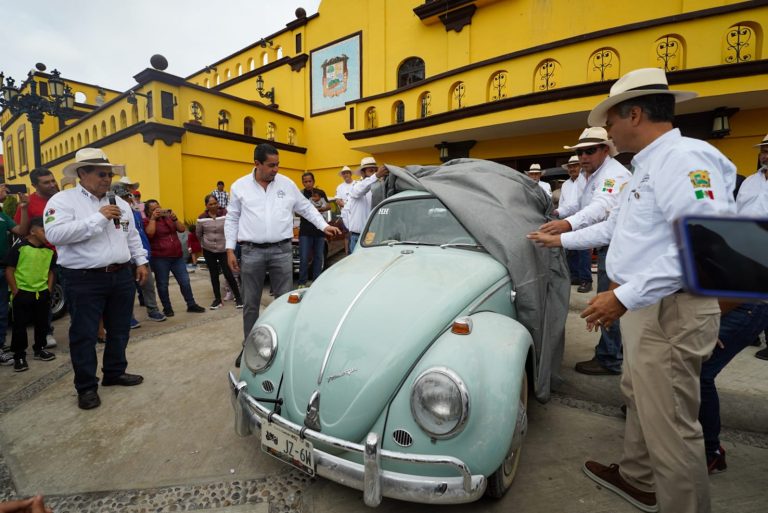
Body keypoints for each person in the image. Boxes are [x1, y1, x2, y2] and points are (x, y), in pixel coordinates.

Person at [529, 68, 736, 513]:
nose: (610, 132)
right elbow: (615, 225)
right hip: (648, 304)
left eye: (611, 123)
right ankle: (639, 478)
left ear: (635, 114)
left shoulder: (685, 160)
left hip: (669, 308)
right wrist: (561, 238)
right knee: (641, 398)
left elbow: (703, 246)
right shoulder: (646, 166)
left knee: (672, 428)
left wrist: (621, 296)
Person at [45, 148, 150, 410]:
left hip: (121, 275)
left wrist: (141, 260)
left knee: (119, 329)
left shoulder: (121, 202)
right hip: (83, 278)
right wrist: (98, 218)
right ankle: (86, 387)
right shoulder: (63, 201)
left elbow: (131, 234)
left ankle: (114, 372)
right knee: (84, 334)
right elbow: (55, 235)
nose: (107, 178)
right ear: (83, 173)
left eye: (110, 174)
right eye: (102, 174)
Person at [225, 143, 341, 366]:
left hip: (282, 250)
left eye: (278, 164)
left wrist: (322, 226)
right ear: (257, 164)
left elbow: (306, 208)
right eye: (271, 165)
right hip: (251, 251)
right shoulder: (239, 186)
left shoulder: (286, 184)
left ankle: (283, 346)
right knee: (250, 303)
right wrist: (230, 248)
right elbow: (232, 218)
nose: (276, 169)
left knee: (285, 301)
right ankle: (250, 346)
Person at [539, 127, 631, 375]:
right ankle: (612, 353)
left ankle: (610, 358)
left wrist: (566, 226)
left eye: (589, 151)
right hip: (603, 241)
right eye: (580, 152)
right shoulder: (586, 176)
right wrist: (558, 216)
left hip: (615, 246)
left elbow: (601, 208)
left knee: (609, 302)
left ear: (605, 150)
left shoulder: (613, 175)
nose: (583, 157)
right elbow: (577, 206)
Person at [14, 167, 59, 349]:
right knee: (45, 296)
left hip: (67, 253)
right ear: (34, 185)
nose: (52, 184)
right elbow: (22, 231)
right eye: (46, 182)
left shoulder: (61, 198)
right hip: (42, 258)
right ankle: (46, 332)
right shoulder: (28, 202)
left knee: (72, 294)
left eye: (52, 180)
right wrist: (24, 209)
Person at [7, 217, 57, 372]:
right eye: (43, 230)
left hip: (41, 293)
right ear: (32, 231)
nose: (47, 234)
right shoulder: (20, 248)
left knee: (42, 323)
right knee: (20, 326)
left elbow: (51, 272)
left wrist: (48, 289)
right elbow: (10, 270)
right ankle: (19, 355)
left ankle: (39, 348)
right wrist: (15, 291)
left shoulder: (49, 251)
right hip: (22, 293)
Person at [111, 184, 166, 322]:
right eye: (123, 197)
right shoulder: (114, 215)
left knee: (148, 284)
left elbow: (139, 234)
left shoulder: (135, 212)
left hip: (141, 254)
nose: (127, 200)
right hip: (125, 257)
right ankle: (129, 317)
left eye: (128, 197)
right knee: (128, 289)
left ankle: (153, 310)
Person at [143, 200, 205, 316]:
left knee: (185, 281)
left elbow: (182, 229)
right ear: (148, 211)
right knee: (162, 284)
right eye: (153, 209)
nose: (157, 210)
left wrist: (175, 219)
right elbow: (150, 234)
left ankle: (191, 304)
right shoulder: (146, 221)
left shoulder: (168, 218)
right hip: (160, 257)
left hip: (177, 256)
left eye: (158, 207)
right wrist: (153, 219)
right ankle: (167, 308)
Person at [0, 185, 30, 367]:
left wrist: (24, 208)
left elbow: (22, 230)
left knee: (2, 312)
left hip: (3, 268)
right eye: (1, 186)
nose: (5, 188)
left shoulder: (2, 215)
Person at [197, 194, 243, 309]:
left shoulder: (225, 214)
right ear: (206, 205)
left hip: (224, 249)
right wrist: (205, 243)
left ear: (218, 203)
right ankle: (217, 300)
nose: (213, 206)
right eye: (210, 204)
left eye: (215, 203)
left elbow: (232, 227)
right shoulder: (202, 217)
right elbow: (199, 234)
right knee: (213, 275)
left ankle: (238, 298)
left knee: (228, 274)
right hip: (209, 250)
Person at [556, 155, 591, 289]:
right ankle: (575, 277)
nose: (572, 169)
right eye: (570, 166)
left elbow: (581, 203)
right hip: (567, 220)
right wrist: (559, 215)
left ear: (580, 166)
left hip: (582, 219)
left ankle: (586, 280)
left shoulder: (586, 180)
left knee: (583, 250)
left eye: (575, 165)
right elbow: (562, 203)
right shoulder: (565, 184)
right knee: (570, 250)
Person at [345, 157, 387, 252]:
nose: (374, 173)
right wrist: (376, 176)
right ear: (363, 173)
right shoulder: (356, 186)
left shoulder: (379, 187)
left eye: (375, 170)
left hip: (374, 235)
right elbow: (360, 189)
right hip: (358, 237)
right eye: (371, 171)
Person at [298, 172, 330, 288]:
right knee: (304, 257)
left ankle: (316, 282)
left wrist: (319, 208)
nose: (307, 183)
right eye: (305, 181)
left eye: (309, 181)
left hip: (319, 230)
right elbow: (296, 211)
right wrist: (308, 212)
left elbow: (329, 206)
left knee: (318, 257)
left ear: (313, 181)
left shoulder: (321, 193)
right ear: (303, 182)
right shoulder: (300, 194)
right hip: (305, 231)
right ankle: (302, 282)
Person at [335, 166, 355, 254]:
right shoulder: (340, 187)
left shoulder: (357, 184)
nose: (346, 174)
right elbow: (338, 200)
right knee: (347, 235)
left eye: (347, 172)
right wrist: (347, 206)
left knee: (356, 233)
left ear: (350, 174)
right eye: (344, 173)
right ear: (342, 175)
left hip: (356, 213)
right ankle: (347, 254)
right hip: (345, 215)